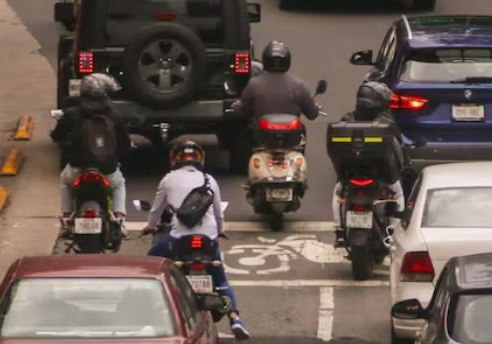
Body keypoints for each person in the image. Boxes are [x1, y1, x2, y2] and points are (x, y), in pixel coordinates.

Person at [141, 141, 250, 340]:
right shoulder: (209, 180)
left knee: (151, 261)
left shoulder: (168, 179)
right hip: (207, 239)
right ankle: (235, 320)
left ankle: (148, 307)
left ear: (175, 159)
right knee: (220, 278)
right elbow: (218, 214)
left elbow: (156, 209)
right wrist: (219, 231)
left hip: (178, 239)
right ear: (200, 159)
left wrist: (150, 226)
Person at [51, 73, 131, 236]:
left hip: (78, 169)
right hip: (107, 170)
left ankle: (66, 218)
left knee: (65, 182)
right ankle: (119, 219)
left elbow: (56, 136)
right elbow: (125, 143)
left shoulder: (72, 113)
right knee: (119, 184)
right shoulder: (114, 114)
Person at [331, 81, 406, 247]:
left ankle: (339, 231)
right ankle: (392, 233)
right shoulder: (387, 123)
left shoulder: (345, 120)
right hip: (382, 174)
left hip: (349, 174)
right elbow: (397, 148)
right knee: (398, 196)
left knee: (338, 194)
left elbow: (335, 150)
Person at [229, 40, 321, 124]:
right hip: (291, 138)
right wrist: (315, 107)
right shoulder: (299, 85)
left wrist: (237, 107)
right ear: (287, 61)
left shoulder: (254, 84)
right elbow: (312, 114)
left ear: (265, 60)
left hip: (262, 137)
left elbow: (244, 110)